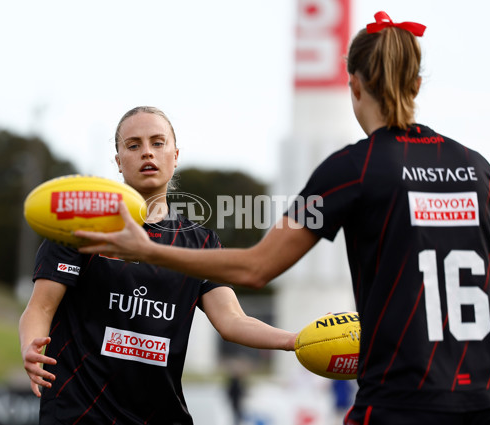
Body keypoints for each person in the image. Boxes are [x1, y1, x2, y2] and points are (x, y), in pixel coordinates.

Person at [76, 12, 490, 425]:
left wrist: (149, 250)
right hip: (488, 398)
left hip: (402, 398)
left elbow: (257, 267)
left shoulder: (350, 170)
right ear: (417, 85)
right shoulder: (480, 170)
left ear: (355, 87)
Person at [19, 106, 297, 425]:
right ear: (118, 160)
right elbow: (39, 309)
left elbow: (232, 320)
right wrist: (31, 347)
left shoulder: (200, 242)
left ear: (175, 155)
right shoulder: (79, 228)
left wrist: (293, 340)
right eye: (133, 145)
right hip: (79, 415)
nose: (147, 152)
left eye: (158, 142)